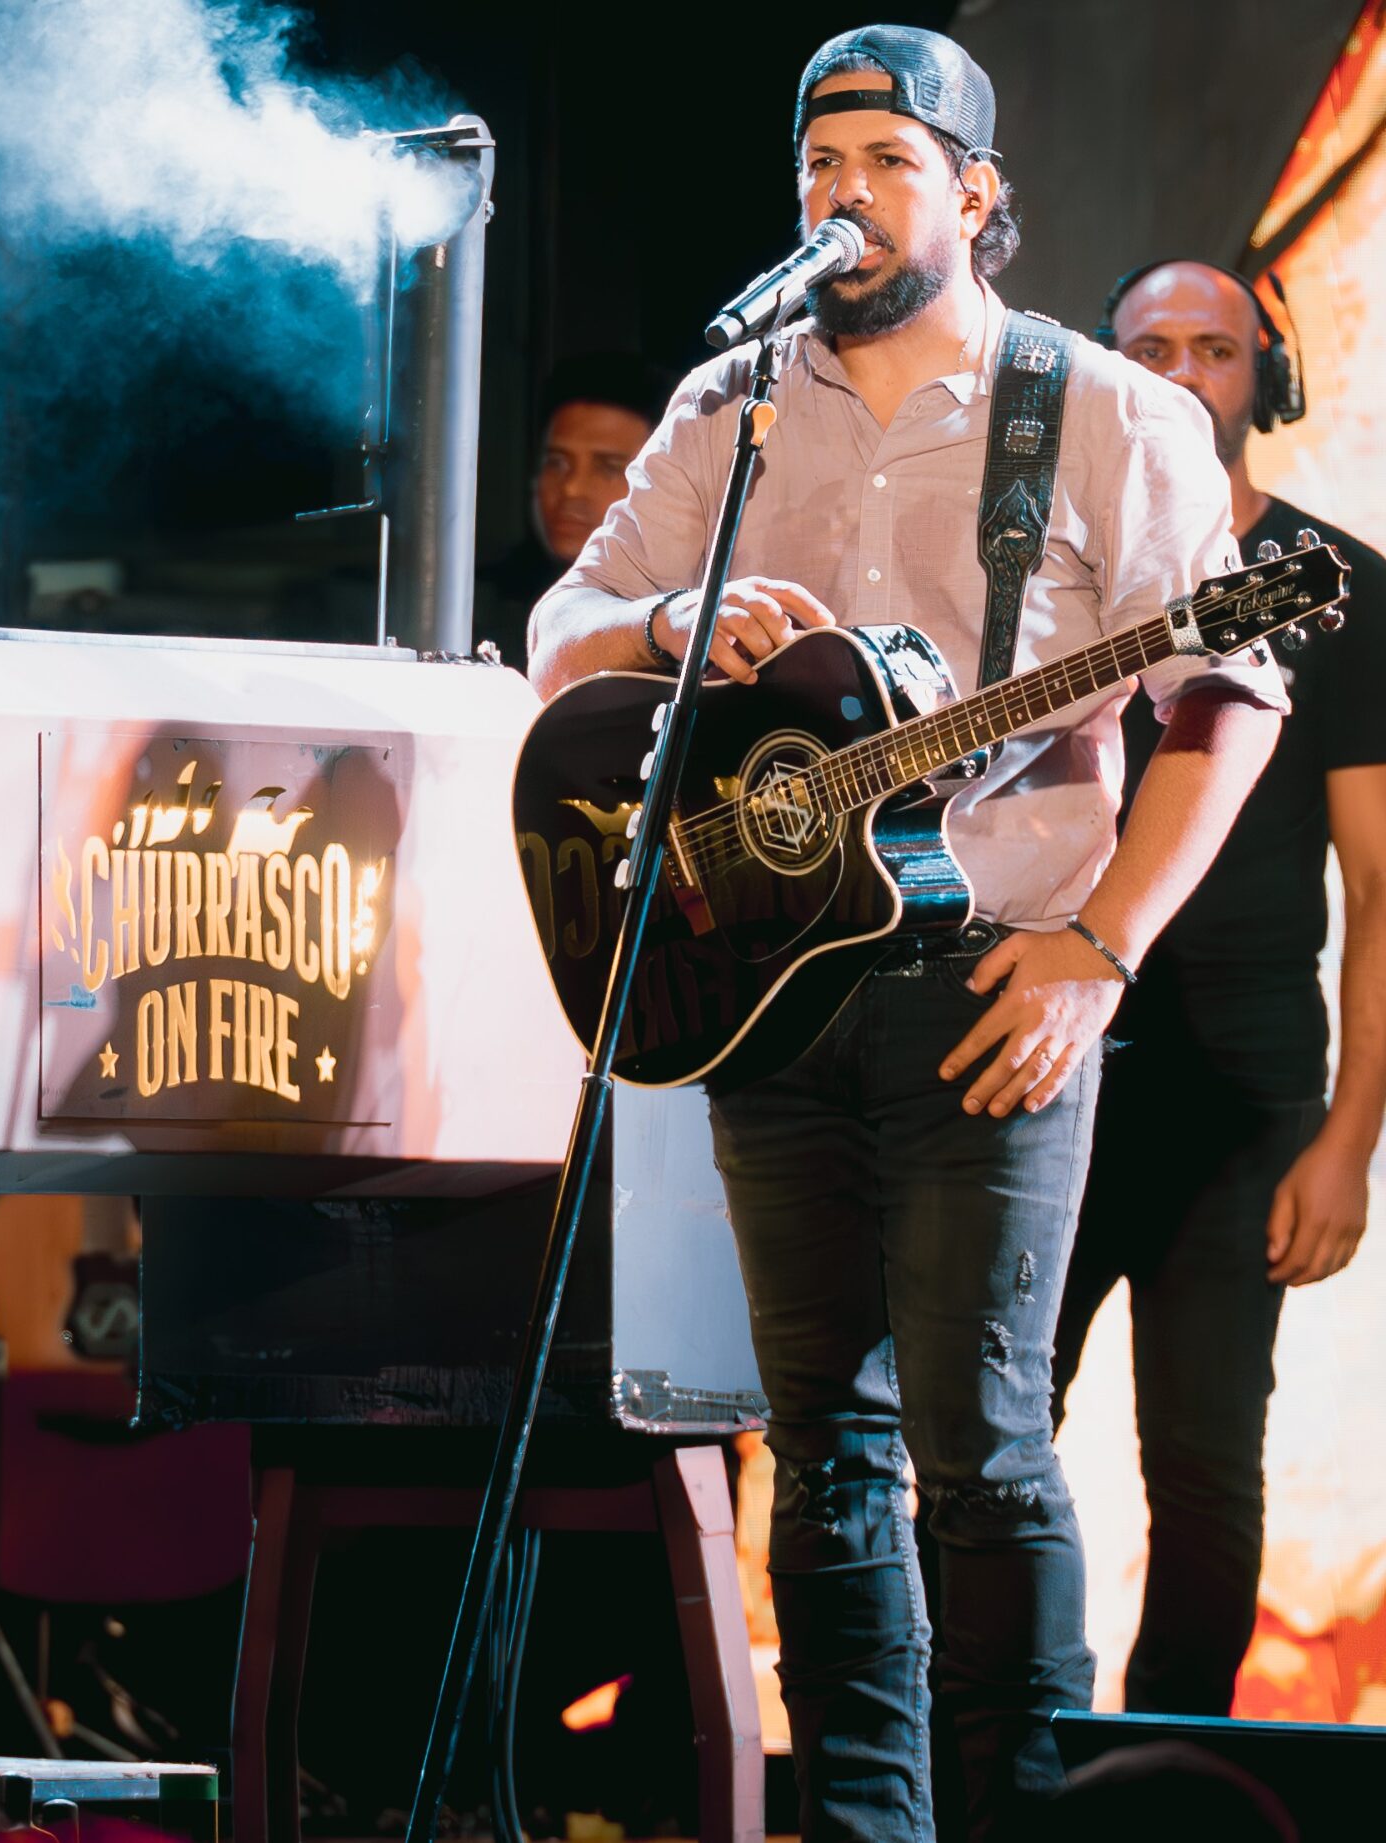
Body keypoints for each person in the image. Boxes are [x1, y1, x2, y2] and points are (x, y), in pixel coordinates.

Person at [525, 27, 1285, 1842]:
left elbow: (1225, 696)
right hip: (767, 985)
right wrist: (661, 640)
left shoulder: (1095, 409)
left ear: (975, 191)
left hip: (993, 978)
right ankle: (867, 1822)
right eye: (818, 163)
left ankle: (1015, 1811)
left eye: (883, 159)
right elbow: (559, 628)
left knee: (980, 1440)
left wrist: (1100, 945)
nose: (841, 195)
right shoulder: (732, 407)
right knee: (824, 1445)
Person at [1053, 258, 1385, 1715]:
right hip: (1038, 1060)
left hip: (1244, 1092)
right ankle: (999, 1750)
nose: (1186, 375)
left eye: (1217, 348)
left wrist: (1349, 1139)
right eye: (1151, 350)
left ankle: (1160, 1784)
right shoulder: (1048, 573)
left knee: (1200, 1461)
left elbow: (1382, 889)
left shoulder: (1345, 586)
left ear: (1267, 378)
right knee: (983, 1439)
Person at [478, 355, 674, 666]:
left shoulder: (680, 623)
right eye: (557, 463)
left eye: (608, 468)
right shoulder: (475, 607)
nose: (572, 489)